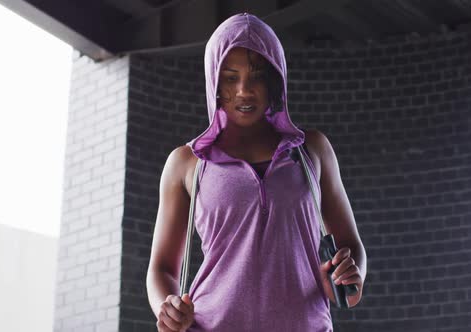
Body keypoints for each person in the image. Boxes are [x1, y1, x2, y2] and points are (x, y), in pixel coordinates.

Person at [146, 12, 367, 332]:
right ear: (214, 82)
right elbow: (162, 267)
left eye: (258, 76)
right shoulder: (187, 163)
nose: (244, 91)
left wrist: (351, 277)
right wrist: (165, 307)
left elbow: (351, 247)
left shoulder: (312, 151)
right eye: (230, 77)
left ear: (276, 80)